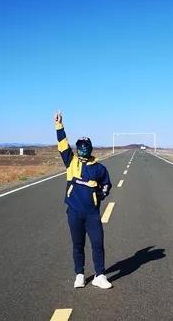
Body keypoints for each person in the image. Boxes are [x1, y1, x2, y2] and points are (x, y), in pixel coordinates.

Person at [54, 111, 113, 289]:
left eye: (85, 146)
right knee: (78, 244)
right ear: (77, 147)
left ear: (90, 148)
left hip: (92, 213)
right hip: (74, 212)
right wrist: (59, 126)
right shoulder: (70, 162)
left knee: (97, 243)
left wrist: (99, 195)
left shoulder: (99, 168)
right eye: (80, 146)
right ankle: (79, 274)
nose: (82, 149)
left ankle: (99, 275)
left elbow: (107, 185)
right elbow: (63, 144)